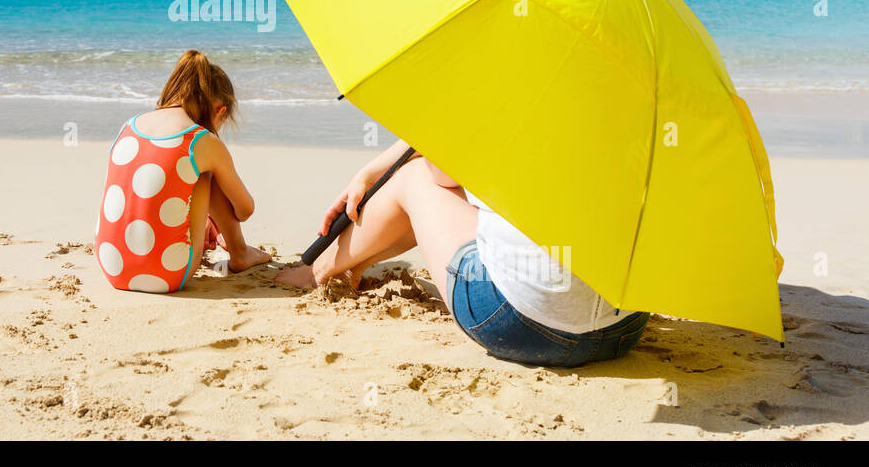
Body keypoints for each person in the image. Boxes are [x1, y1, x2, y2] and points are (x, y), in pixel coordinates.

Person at [277, 140, 649, 367]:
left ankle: (318, 271)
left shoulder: (518, 90)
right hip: (623, 329)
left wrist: (370, 171)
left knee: (416, 176)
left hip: (520, 324)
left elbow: (440, 170)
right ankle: (356, 261)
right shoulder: (637, 111)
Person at [95, 50, 270, 293]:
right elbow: (245, 209)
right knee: (207, 170)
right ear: (220, 110)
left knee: (188, 170)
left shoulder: (129, 125)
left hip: (112, 268)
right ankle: (240, 253)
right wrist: (211, 214)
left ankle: (232, 246)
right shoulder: (201, 139)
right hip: (167, 273)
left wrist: (198, 217)